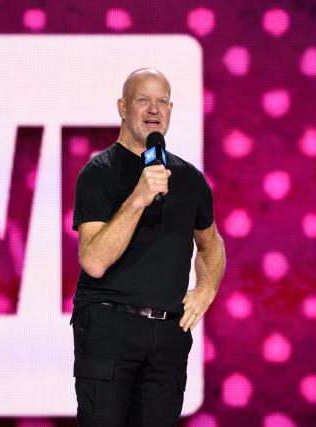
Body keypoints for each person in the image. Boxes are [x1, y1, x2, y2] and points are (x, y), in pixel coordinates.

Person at [71, 68, 226, 426]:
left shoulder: (190, 179)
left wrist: (206, 288)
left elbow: (210, 243)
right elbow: (93, 261)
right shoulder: (98, 173)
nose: (153, 109)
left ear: (171, 109)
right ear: (123, 107)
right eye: (143, 100)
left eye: (161, 102)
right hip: (109, 327)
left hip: (168, 336)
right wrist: (139, 197)